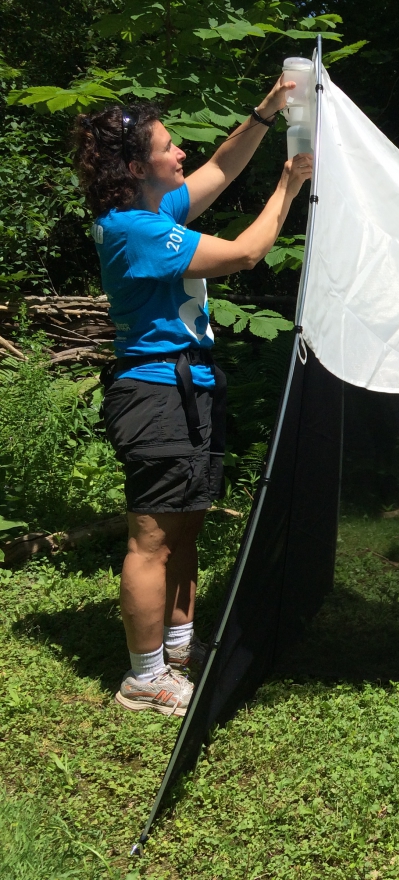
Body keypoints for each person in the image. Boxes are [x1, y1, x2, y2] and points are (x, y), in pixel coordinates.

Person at [73, 77, 313, 716]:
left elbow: (219, 171)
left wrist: (267, 113)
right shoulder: (137, 231)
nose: (180, 154)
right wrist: (290, 184)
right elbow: (243, 254)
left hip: (189, 385)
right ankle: (145, 678)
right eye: (167, 146)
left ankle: (179, 649)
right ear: (135, 166)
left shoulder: (151, 213)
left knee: (186, 526)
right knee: (153, 537)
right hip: (154, 393)